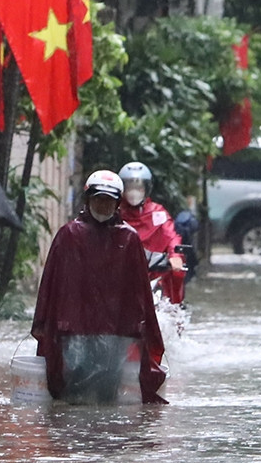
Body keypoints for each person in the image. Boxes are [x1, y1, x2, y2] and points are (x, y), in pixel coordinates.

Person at [31, 170, 167, 404]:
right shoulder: (68, 235)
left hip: (115, 330)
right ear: (88, 200)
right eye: (98, 199)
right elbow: (50, 284)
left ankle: (102, 436)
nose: (103, 205)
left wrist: (142, 327)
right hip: (74, 328)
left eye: (109, 200)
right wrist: (44, 322)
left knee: (108, 391)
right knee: (73, 387)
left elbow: (140, 291)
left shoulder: (129, 238)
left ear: (117, 204)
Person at [117, 161, 187, 304]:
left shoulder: (157, 213)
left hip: (154, 275)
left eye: (138, 187)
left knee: (174, 282)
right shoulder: (114, 214)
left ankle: (173, 315)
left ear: (146, 189)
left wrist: (175, 256)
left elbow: (171, 235)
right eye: (130, 187)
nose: (134, 192)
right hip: (120, 275)